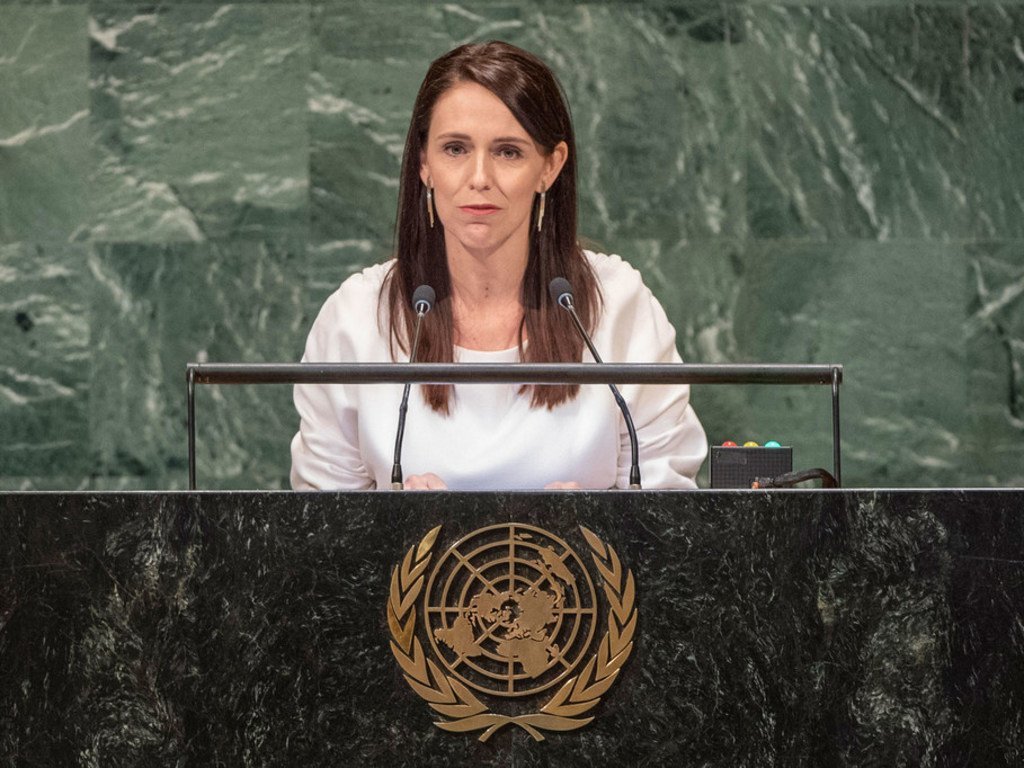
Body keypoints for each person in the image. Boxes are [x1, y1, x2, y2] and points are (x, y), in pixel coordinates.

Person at [290, 41, 706, 491]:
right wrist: (400, 530)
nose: (480, 177)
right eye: (455, 149)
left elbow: (668, 518)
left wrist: (592, 531)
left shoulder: (619, 305)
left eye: (508, 151)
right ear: (424, 164)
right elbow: (323, 534)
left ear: (550, 166)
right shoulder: (355, 318)